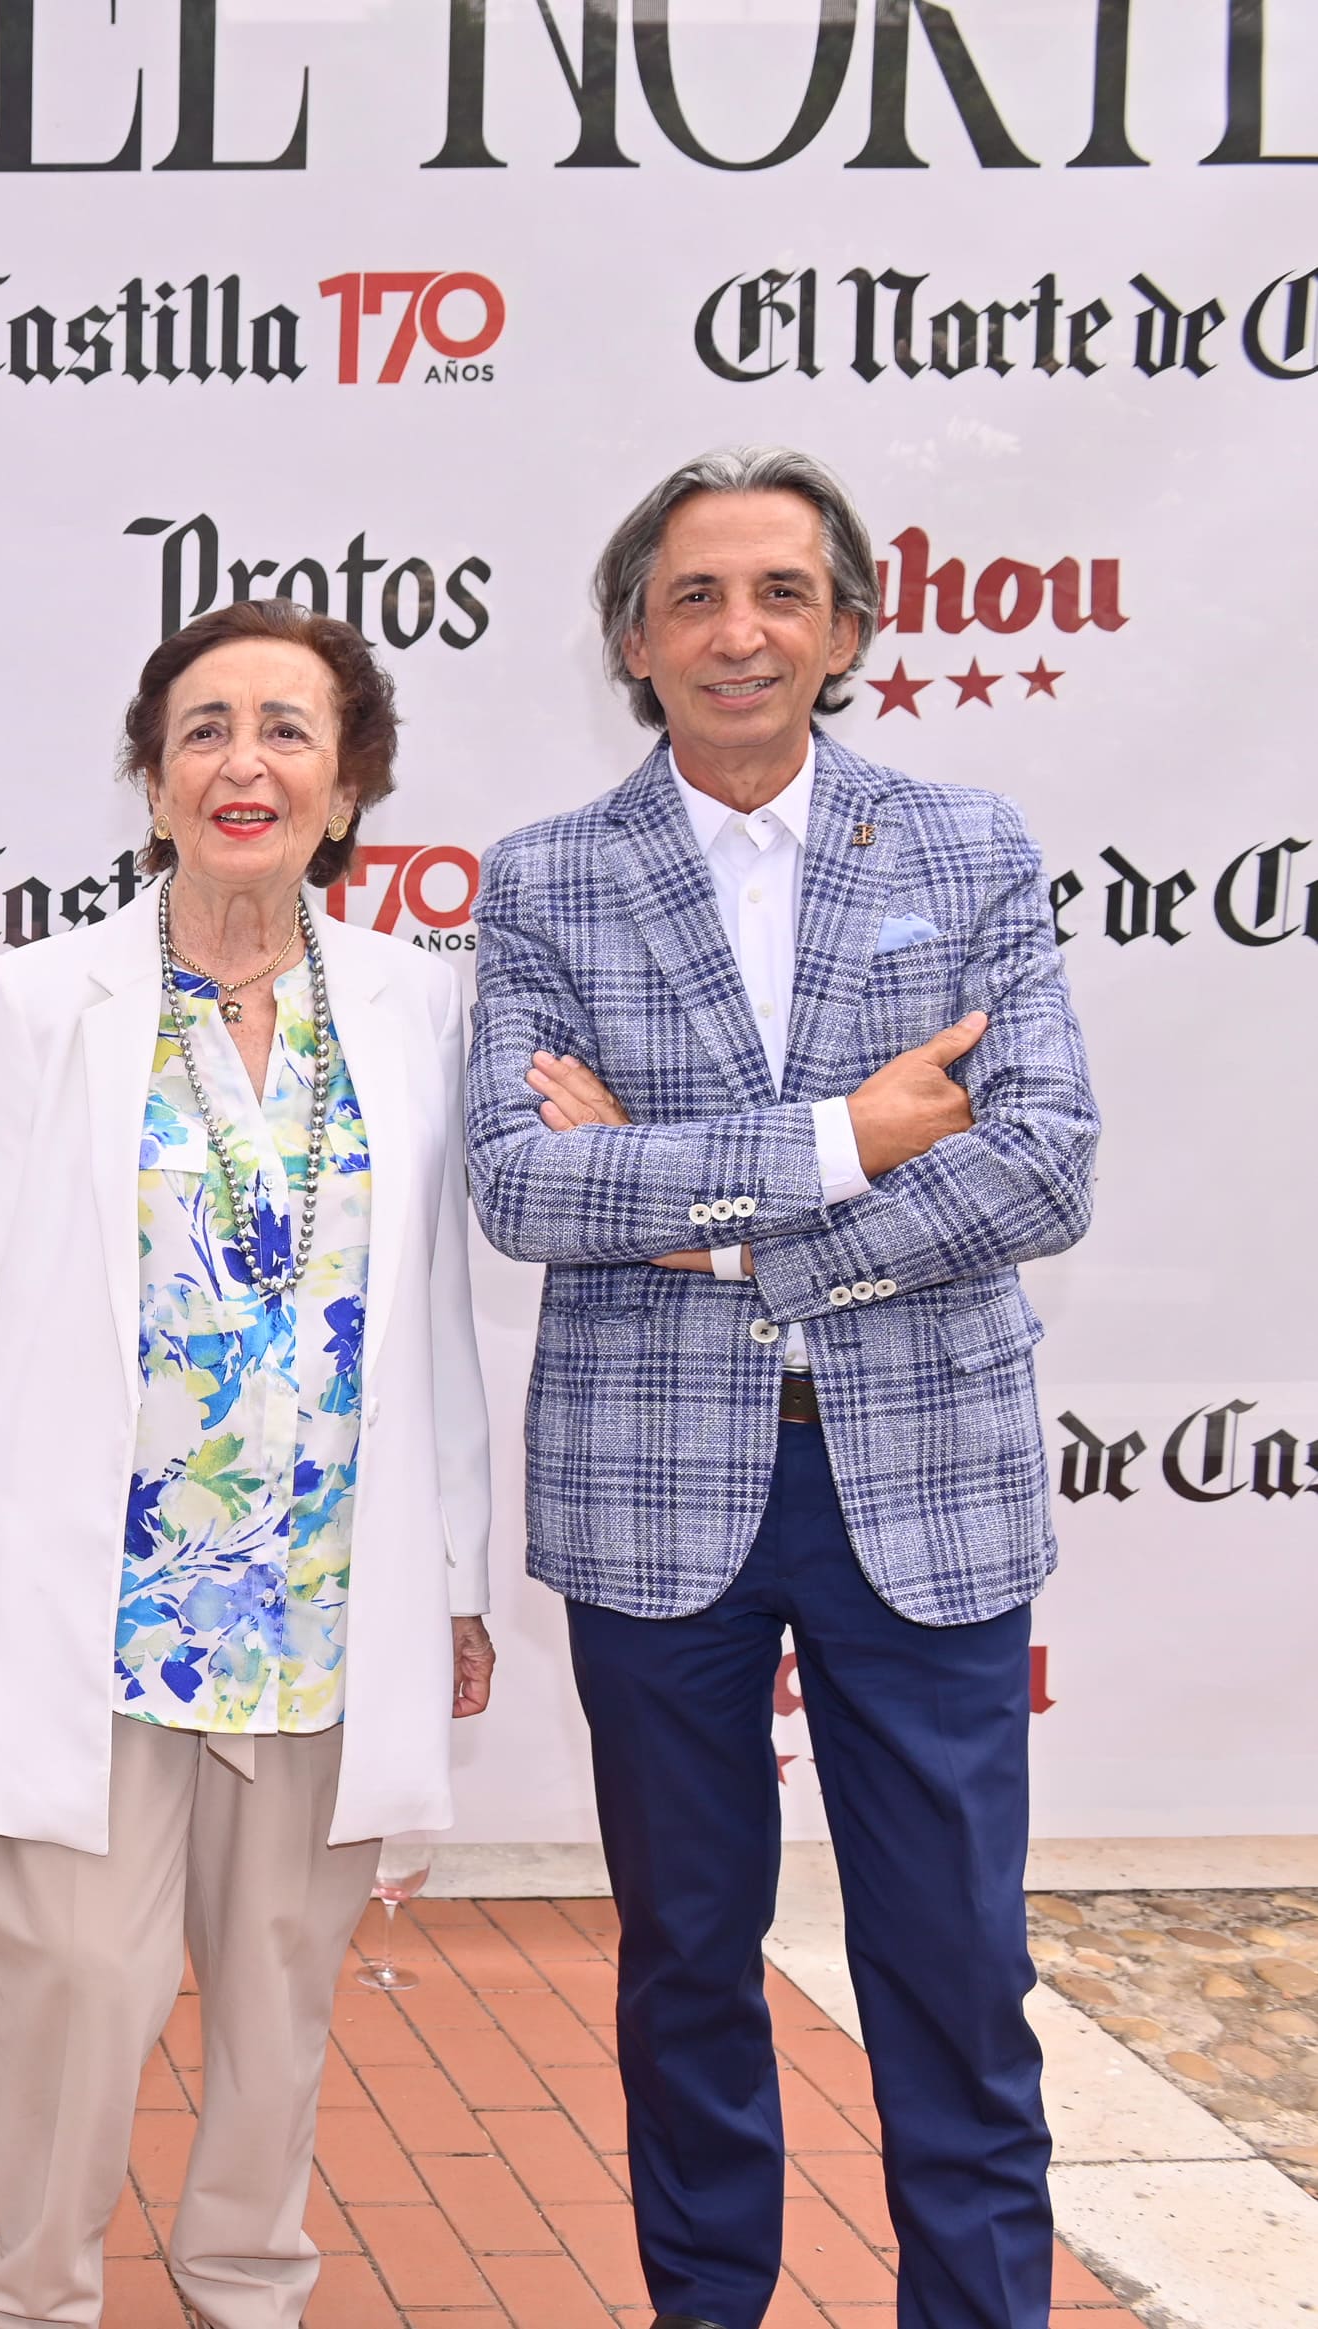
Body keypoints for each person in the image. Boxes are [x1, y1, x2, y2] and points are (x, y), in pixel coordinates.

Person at [465, 447, 1099, 2329]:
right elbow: (524, 1186)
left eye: (779, 595)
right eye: (693, 599)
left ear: (845, 628)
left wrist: (729, 1223)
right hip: (659, 1502)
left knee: (957, 1963)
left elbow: (1046, 1163)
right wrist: (851, 1136)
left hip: (927, 1483)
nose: (739, 633)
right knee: (684, 1963)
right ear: (633, 640)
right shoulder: (548, 882)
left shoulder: (971, 848)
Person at [0, 600, 495, 2329]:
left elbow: (436, 1310)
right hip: (102, 1598)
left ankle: (244, 2289)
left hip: (324, 1598)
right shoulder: (47, 996)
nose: (246, 763)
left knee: (285, 1993)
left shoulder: (414, 1003)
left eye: (291, 729)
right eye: (205, 726)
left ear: (350, 782)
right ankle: (41, 2298)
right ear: (151, 780)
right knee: (77, 1973)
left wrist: (454, 1572)